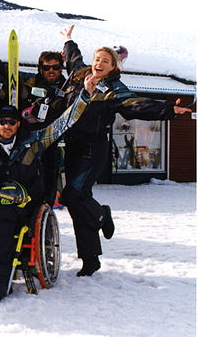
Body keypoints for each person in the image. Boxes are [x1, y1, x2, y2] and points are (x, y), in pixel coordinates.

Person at [59, 24, 192, 277]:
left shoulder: (113, 90)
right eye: (97, 58)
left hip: (92, 149)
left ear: (113, 68)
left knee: (73, 196)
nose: (99, 63)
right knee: (76, 203)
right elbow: (72, 58)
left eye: (105, 61)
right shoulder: (79, 75)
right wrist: (68, 39)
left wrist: (168, 110)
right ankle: (90, 260)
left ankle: (101, 216)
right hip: (72, 146)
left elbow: (137, 105)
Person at [0, 73, 96, 301]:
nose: (7, 126)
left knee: (4, 225)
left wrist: (85, 96)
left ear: (18, 124)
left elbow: (63, 124)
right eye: (3, 121)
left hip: (24, 208)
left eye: (12, 122)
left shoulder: (34, 142)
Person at [19, 51, 69, 206]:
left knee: (49, 180)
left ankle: (46, 210)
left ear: (61, 68)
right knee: (27, 179)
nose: (51, 71)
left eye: (55, 67)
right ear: (40, 69)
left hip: (51, 142)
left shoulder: (68, 87)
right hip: (29, 139)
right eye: (46, 68)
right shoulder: (29, 82)